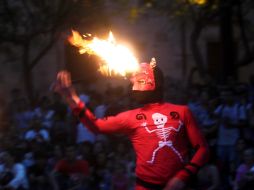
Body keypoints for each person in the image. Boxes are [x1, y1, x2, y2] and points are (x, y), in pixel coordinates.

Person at [53, 59, 209, 190]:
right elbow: (96, 126)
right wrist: (71, 99)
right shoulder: (131, 117)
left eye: (140, 79)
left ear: (157, 83)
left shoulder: (182, 112)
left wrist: (183, 176)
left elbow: (202, 149)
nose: (132, 83)